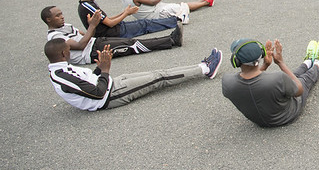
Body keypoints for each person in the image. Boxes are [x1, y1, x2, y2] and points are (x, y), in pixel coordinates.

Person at [45, 38, 221, 111]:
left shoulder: (62, 68)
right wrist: (105, 70)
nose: (71, 51)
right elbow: (97, 93)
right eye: (68, 49)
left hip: (109, 84)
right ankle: (205, 70)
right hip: (109, 96)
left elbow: (87, 82)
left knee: (157, 73)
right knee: (159, 79)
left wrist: (99, 68)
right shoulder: (62, 76)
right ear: (62, 54)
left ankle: (201, 66)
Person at [221, 38, 319, 127]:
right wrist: (281, 63)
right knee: (304, 79)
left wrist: (265, 66)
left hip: (260, 121)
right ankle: (317, 64)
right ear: (261, 55)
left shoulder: (227, 82)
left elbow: (251, 82)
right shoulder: (278, 78)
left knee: (289, 78)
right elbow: (299, 90)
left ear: (235, 61)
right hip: (288, 114)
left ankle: (307, 62)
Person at [42, 5, 177, 65]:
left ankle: (170, 38)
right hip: (91, 52)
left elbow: (87, 36)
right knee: (131, 46)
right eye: (58, 16)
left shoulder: (66, 26)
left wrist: (91, 27)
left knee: (130, 41)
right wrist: (92, 25)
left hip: (95, 42)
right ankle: (171, 40)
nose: (62, 17)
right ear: (49, 20)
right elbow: (80, 45)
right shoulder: (55, 37)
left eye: (61, 14)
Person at [78, 0, 180, 39]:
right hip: (114, 33)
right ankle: (176, 20)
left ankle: (175, 20)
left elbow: (106, 19)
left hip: (116, 28)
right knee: (145, 25)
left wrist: (124, 12)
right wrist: (126, 13)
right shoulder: (88, 6)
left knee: (143, 23)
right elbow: (109, 23)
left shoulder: (89, 4)